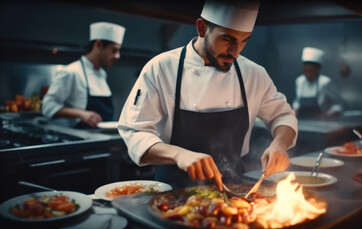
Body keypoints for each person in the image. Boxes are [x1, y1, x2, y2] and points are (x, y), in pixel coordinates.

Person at [118, 0, 297, 191]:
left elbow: (283, 115)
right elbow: (135, 132)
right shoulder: (161, 68)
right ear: (202, 28)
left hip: (235, 186)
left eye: (244, 40)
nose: (235, 52)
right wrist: (179, 155)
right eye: (227, 39)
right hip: (173, 189)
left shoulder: (254, 74)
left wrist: (279, 144)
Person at [42, 22, 126, 128]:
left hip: (101, 138)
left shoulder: (102, 74)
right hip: (78, 140)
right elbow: (48, 106)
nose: (117, 56)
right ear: (98, 44)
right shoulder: (72, 72)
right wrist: (81, 114)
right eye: (114, 50)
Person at [292, 47, 343, 120]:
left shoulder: (325, 82)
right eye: (306, 70)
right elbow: (297, 102)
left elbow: (338, 105)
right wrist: (293, 113)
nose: (308, 74)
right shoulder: (299, 81)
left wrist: (327, 116)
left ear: (318, 69)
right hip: (303, 122)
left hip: (322, 123)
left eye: (311, 71)